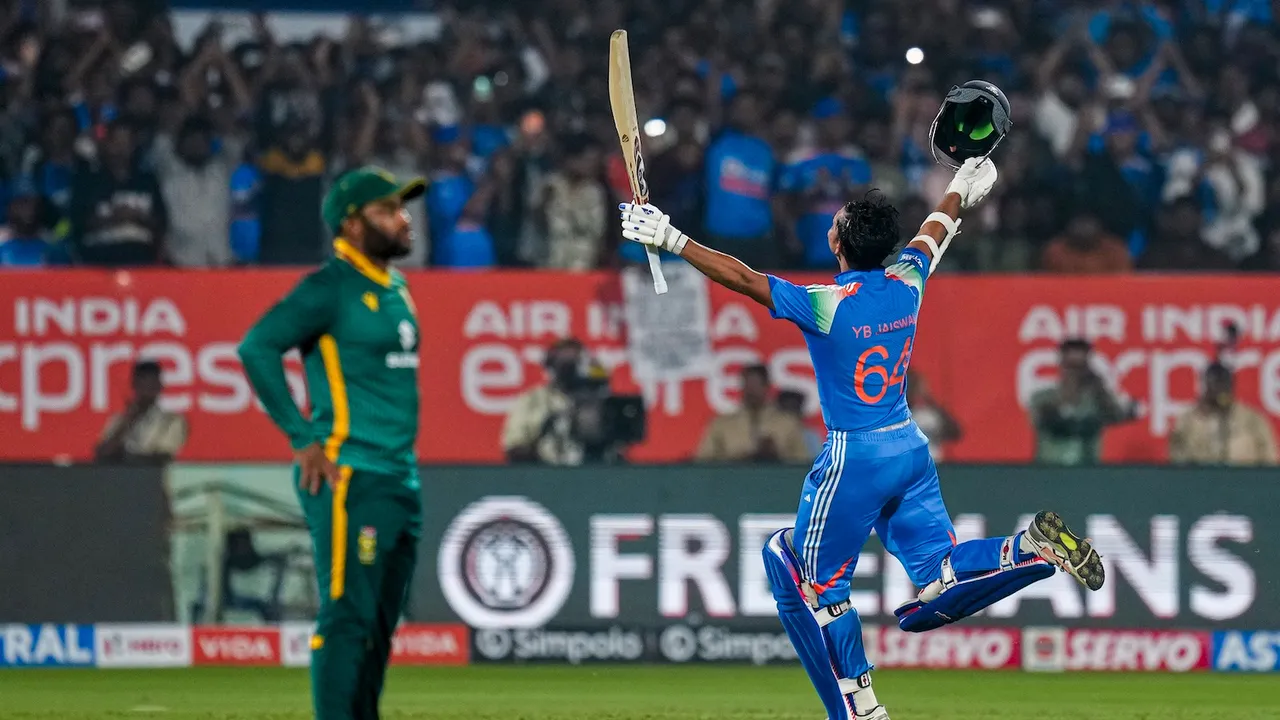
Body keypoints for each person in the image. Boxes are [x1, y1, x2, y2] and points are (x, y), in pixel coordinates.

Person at [618, 157, 1104, 720]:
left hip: (856, 457)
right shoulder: (907, 281)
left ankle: (860, 709)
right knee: (937, 579)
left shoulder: (826, 304)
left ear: (838, 242)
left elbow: (746, 278)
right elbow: (935, 232)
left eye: (835, 221)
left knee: (808, 579)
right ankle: (1028, 550)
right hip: (909, 449)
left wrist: (671, 237)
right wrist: (958, 190)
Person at [237, 166, 425, 720]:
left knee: (381, 624)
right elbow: (257, 347)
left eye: (402, 208)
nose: (404, 219)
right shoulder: (330, 287)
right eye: (388, 210)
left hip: (398, 477)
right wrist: (302, 438)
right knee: (347, 616)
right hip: (350, 474)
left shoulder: (395, 287)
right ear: (351, 223)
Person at [1029, 338, 1135, 466]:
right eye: (1071, 366)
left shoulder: (1096, 401)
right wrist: (1067, 397)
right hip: (1050, 468)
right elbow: (1046, 422)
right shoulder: (1042, 398)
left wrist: (1099, 389)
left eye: (1080, 367)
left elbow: (1116, 416)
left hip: (1087, 469)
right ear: (1061, 365)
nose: (1074, 373)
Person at [694, 364, 812, 463]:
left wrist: (776, 456)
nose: (751, 391)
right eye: (747, 385)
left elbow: (802, 464)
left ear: (767, 386)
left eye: (756, 385)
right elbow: (703, 463)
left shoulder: (787, 423)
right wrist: (738, 459)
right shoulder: (722, 424)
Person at [1169, 363, 1278, 466]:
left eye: (1223, 384)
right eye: (1215, 385)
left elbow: (1269, 459)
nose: (1219, 390)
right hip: (1202, 477)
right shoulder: (1188, 421)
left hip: (1244, 476)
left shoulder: (1252, 419)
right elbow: (1177, 460)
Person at [501, 337, 588, 465]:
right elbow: (514, 447)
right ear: (551, 364)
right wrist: (543, 454)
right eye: (564, 360)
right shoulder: (533, 400)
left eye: (575, 360)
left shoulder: (597, 401)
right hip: (545, 470)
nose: (570, 364)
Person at [94, 359, 188, 464]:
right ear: (134, 385)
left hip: (150, 474)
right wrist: (128, 421)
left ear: (159, 386)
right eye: (143, 383)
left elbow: (163, 456)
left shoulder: (172, 420)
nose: (147, 390)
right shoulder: (120, 419)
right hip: (121, 473)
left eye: (152, 384)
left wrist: (126, 456)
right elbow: (102, 453)